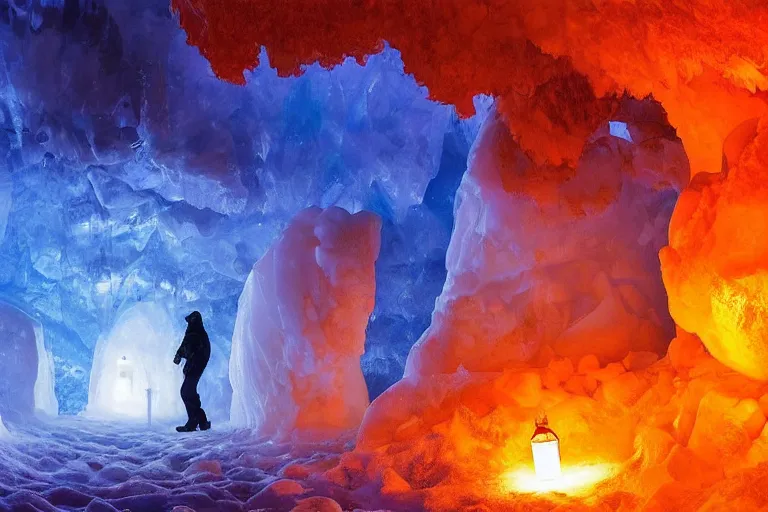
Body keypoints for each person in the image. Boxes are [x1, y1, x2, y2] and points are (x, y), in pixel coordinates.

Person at [173, 311, 212, 432]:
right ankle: (202, 421)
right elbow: (189, 345)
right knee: (189, 392)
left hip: (195, 367)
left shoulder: (195, 333)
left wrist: (179, 355)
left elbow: (188, 345)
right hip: (195, 367)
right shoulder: (199, 333)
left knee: (186, 392)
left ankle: (193, 422)